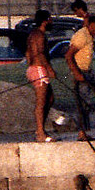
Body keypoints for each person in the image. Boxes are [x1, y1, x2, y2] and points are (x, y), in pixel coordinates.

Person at [25, 9, 56, 142]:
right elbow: (40, 53)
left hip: (34, 68)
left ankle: (40, 129)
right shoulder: (40, 35)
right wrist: (49, 69)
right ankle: (40, 133)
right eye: (50, 19)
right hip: (39, 69)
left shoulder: (33, 34)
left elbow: (28, 53)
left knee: (50, 98)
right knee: (41, 102)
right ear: (45, 20)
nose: (51, 21)